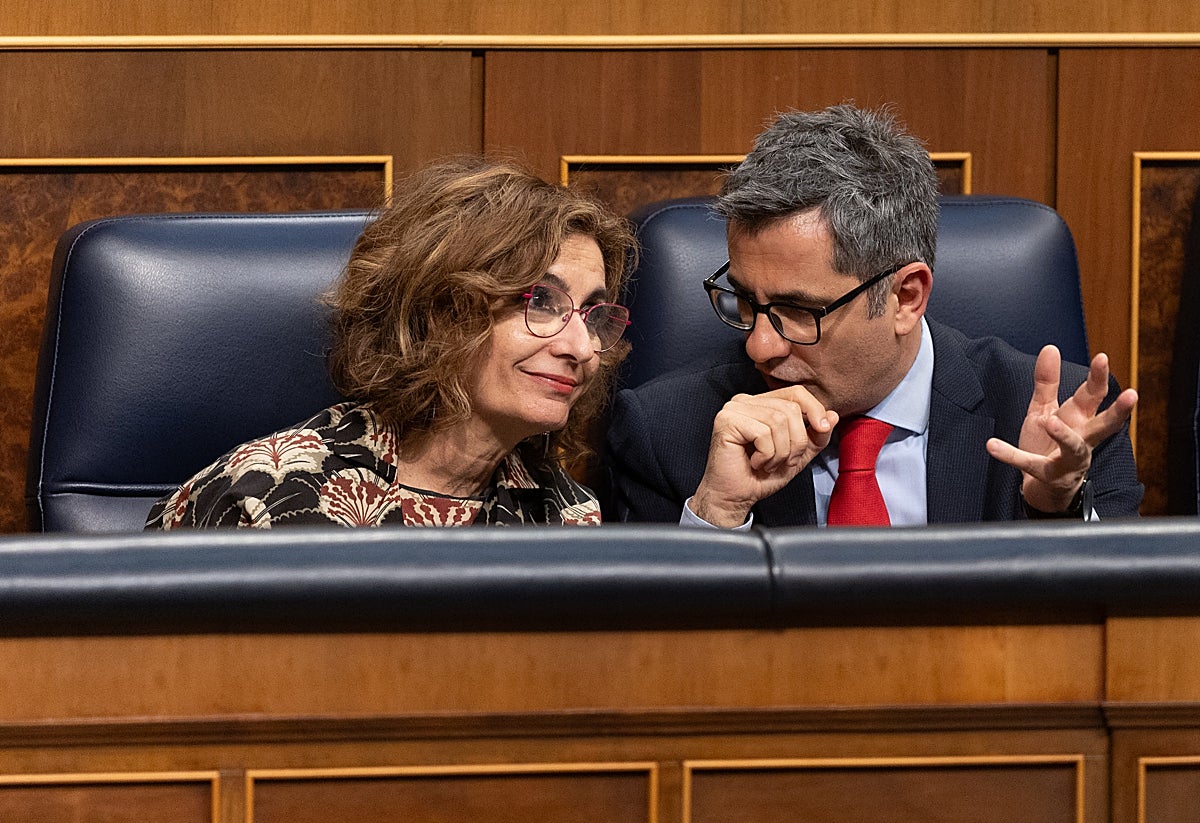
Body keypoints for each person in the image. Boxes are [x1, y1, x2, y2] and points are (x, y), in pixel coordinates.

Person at [606, 104, 1143, 527]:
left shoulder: (1058, 423)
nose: (759, 347)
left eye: (797, 310)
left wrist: (1056, 511)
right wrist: (717, 514)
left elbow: (1118, 640)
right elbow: (646, 659)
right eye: (745, 300)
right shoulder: (667, 431)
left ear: (906, 297)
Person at [148, 157, 635, 529]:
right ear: (441, 309)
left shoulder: (567, 515)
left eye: (594, 315)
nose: (582, 347)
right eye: (543, 301)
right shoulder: (265, 498)